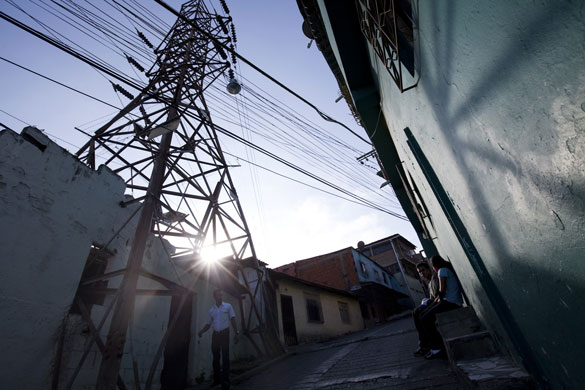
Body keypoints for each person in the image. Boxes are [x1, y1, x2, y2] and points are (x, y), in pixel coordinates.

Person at [417, 255, 463, 359]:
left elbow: (441, 292)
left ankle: (437, 347)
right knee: (424, 316)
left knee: (425, 318)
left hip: (450, 302)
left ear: (434, 265)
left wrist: (432, 305)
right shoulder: (445, 270)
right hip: (451, 301)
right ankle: (434, 346)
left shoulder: (442, 271)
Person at [198, 288, 239, 389]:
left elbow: (233, 319)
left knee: (225, 358)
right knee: (215, 359)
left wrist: (236, 333)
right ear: (214, 296)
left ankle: (225, 382)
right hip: (215, 335)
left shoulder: (228, 306)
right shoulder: (211, 310)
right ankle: (217, 380)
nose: (220, 296)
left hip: (225, 334)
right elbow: (208, 324)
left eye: (221, 295)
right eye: (218, 295)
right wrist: (201, 331)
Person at [412, 262, 439, 356]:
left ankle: (431, 346)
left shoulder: (435, 278)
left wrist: (429, 304)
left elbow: (439, 296)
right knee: (416, 312)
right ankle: (424, 345)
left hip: (439, 304)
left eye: (423, 270)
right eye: (419, 272)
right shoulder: (429, 283)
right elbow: (431, 298)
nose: (422, 273)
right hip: (433, 303)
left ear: (428, 269)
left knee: (423, 316)